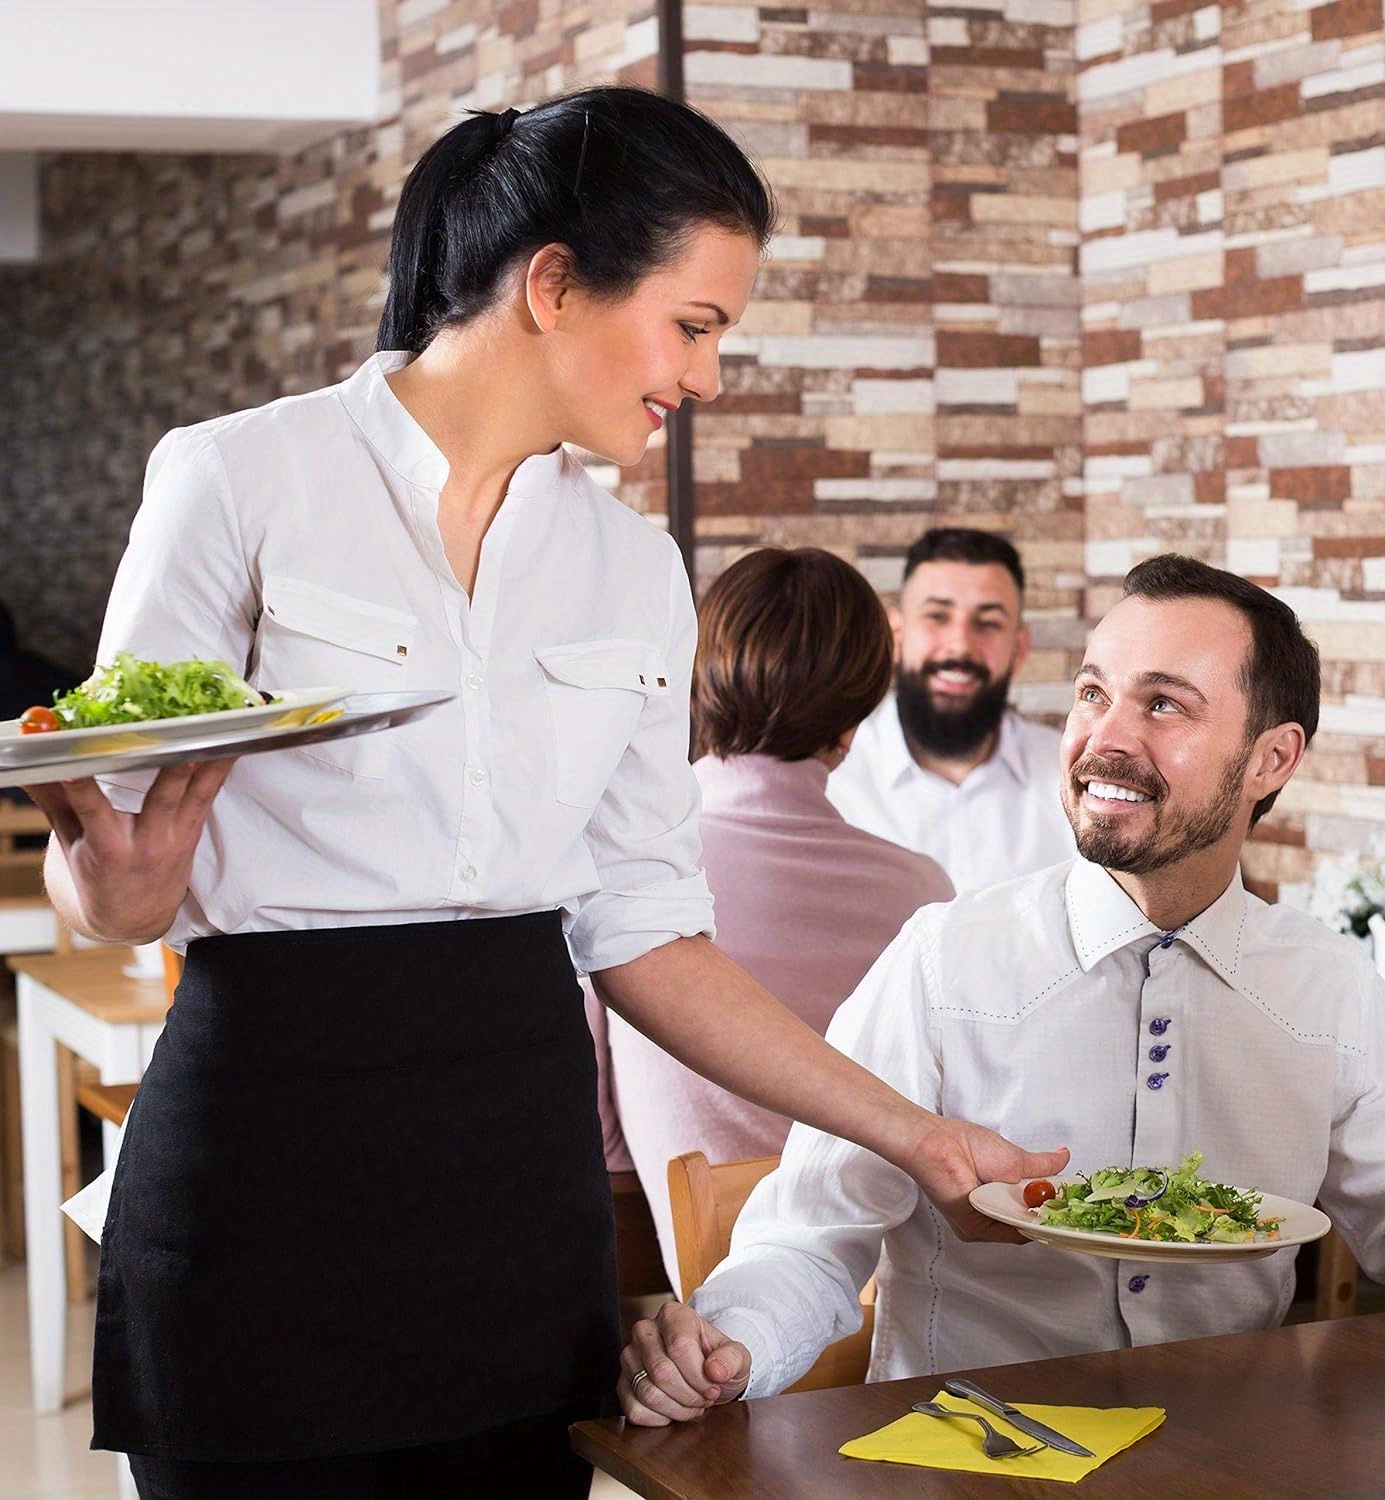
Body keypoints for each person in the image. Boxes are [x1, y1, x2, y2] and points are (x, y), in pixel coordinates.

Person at [25, 87, 1066, 1498]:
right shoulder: (237, 478)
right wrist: (117, 895)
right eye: (694, 326)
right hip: (264, 1161)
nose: (704, 378)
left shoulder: (633, 567)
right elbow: (113, 846)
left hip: (514, 1193)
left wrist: (921, 1134)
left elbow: (645, 929)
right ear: (555, 284)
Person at [620, 553, 1385, 1422]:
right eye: (1092, 693)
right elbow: (809, 1238)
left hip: (1226, 1456)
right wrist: (731, 1344)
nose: (1104, 740)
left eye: (1163, 704)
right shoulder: (944, 959)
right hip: (966, 1461)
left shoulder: (1330, 990)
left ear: (1271, 759)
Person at [588, 546, 955, 1292]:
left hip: (714, 1301)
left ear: (700, 678)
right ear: (852, 722)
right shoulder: (921, 891)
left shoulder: (618, 867)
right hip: (885, 1295)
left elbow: (599, 1135)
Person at [827, 526, 1074, 892]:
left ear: (1019, 648)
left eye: (988, 623)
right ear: (895, 634)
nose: (960, 646)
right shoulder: (832, 783)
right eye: (937, 616)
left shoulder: (1073, 781)